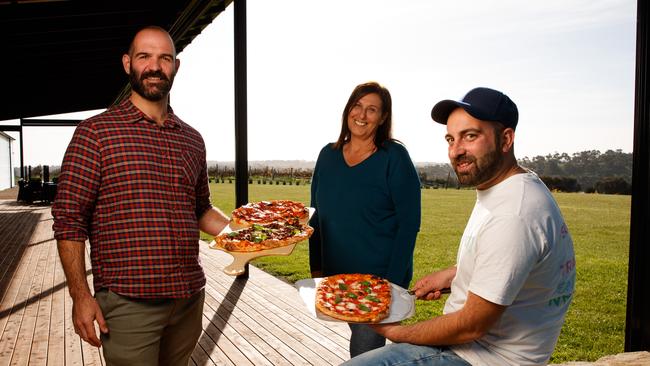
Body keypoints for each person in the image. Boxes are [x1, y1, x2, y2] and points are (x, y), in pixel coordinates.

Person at [343, 87, 577, 366]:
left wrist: (397, 332)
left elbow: (470, 326)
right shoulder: (511, 186)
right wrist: (455, 275)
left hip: (479, 358)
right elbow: (504, 263)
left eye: (471, 136)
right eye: (450, 139)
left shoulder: (513, 215)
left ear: (506, 139)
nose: (456, 151)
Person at [52, 26, 230, 366]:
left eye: (164, 58)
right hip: (128, 304)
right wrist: (80, 295)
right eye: (144, 56)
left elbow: (201, 209)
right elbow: (69, 221)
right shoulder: (96, 133)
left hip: (188, 299)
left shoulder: (192, 139)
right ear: (127, 63)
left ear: (175, 67)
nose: (154, 66)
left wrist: (246, 236)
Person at [309, 81, 421, 357]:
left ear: (383, 118)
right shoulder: (328, 155)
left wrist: (391, 285)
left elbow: (409, 224)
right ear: (348, 110)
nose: (362, 114)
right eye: (357, 106)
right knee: (367, 348)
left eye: (372, 110)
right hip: (338, 275)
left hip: (379, 277)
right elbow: (315, 217)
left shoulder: (394, 157)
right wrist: (316, 269)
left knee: (364, 352)